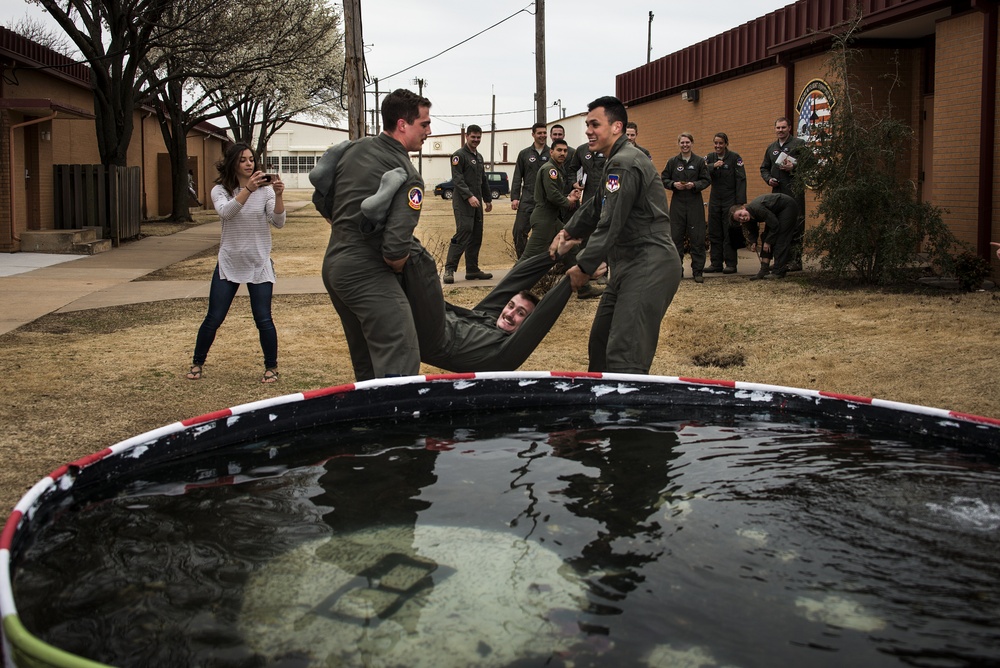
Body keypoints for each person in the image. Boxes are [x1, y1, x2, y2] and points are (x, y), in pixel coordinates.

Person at [555, 95, 681, 374]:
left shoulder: (625, 162)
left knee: (626, 354)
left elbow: (610, 222)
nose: (588, 130)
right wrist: (568, 231)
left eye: (595, 124)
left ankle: (627, 415)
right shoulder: (615, 161)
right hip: (626, 264)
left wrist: (584, 266)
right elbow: (595, 206)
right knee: (601, 343)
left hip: (648, 263)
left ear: (617, 127)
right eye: (587, 124)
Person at [315, 88, 432, 381]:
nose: (429, 131)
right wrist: (404, 266)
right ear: (403, 124)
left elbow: (322, 200)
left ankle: (368, 424)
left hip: (334, 266)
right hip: (366, 272)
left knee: (367, 364)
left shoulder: (354, 150)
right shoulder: (407, 173)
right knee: (400, 357)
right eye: (424, 124)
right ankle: (397, 426)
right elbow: (394, 251)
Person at [401, 235, 584, 372]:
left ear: (526, 324)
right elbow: (513, 282)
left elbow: (543, 316)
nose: (510, 314)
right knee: (399, 265)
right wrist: (553, 256)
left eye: (521, 313)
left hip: (433, 338)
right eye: (511, 306)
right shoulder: (489, 316)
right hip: (429, 318)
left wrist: (569, 283)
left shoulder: (504, 354)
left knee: (420, 260)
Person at [186, 143, 286, 383]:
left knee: (263, 318)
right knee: (214, 317)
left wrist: (279, 195)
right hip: (229, 261)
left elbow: (278, 222)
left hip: (258, 261)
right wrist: (247, 190)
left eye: (251, 159)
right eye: (243, 160)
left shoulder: (265, 190)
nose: (249, 163)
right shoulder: (221, 190)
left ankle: (271, 368)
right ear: (233, 163)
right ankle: (197, 363)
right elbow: (227, 213)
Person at [443, 124, 493, 284]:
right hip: (463, 202)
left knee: (477, 234)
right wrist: (469, 196)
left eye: (478, 137)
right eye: (473, 137)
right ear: (467, 136)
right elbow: (458, 179)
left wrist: (488, 199)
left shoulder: (479, 157)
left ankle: (472, 270)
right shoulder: (459, 156)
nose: (476, 140)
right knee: (464, 232)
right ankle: (449, 269)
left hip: (477, 202)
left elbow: (483, 180)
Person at [518, 138, 580, 262]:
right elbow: (552, 195)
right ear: (551, 152)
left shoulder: (557, 169)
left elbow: (554, 192)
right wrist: (568, 202)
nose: (562, 153)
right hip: (544, 218)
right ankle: (512, 281)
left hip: (551, 218)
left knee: (571, 245)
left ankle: (576, 280)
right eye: (559, 150)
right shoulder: (550, 169)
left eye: (565, 151)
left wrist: (568, 196)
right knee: (529, 258)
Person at [661, 133, 710, 283]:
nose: (685, 145)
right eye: (682, 142)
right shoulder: (672, 162)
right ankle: (677, 270)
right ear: (679, 144)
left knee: (697, 238)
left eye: (687, 142)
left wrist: (695, 185)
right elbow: (664, 178)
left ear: (692, 143)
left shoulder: (700, 161)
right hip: (678, 203)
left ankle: (698, 271)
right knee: (676, 238)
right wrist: (672, 185)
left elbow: (706, 179)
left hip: (695, 202)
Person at [760, 116, 807, 270]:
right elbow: (764, 168)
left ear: (789, 128)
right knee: (778, 225)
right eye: (778, 128)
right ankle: (781, 260)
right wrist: (769, 179)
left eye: (783, 127)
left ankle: (795, 260)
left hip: (793, 190)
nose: (780, 130)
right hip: (777, 192)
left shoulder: (799, 144)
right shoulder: (771, 147)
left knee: (795, 224)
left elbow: (810, 163)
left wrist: (794, 167)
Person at [704, 132, 747, 274]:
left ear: (726, 144)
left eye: (720, 143)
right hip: (715, 198)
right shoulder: (710, 158)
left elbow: (741, 180)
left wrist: (740, 203)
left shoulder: (735, 158)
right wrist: (712, 166)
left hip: (730, 199)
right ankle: (716, 263)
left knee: (729, 232)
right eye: (715, 143)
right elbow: (701, 171)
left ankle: (731, 264)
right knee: (714, 231)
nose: (718, 146)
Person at [729, 193, 798, 280]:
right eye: (739, 219)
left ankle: (778, 271)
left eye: (740, 214)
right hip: (774, 214)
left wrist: (768, 242)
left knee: (781, 238)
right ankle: (764, 270)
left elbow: (775, 225)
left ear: (743, 208)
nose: (742, 218)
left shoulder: (757, 208)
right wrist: (753, 241)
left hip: (787, 207)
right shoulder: (747, 219)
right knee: (765, 236)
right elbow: (753, 231)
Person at [510, 123, 551, 257]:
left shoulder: (552, 153)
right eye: (539, 133)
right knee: (519, 231)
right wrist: (515, 197)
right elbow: (517, 176)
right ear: (533, 134)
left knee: (545, 235)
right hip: (527, 199)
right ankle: (524, 262)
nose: (542, 135)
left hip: (546, 201)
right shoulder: (524, 154)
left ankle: (540, 265)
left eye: (544, 133)